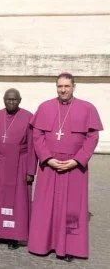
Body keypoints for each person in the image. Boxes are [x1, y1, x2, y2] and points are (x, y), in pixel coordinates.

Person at [28, 72, 103, 262]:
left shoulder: (87, 108)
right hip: (49, 167)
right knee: (45, 207)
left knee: (72, 209)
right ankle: (42, 245)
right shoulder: (45, 107)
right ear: (56, 87)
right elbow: (37, 136)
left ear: (74, 87)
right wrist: (47, 158)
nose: (63, 90)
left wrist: (77, 160)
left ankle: (69, 247)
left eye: (66, 86)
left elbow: (92, 137)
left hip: (74, 167)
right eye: (60, 86)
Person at [0, 88, 37, 250]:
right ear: (3, 100)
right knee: (0, 198)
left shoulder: (28, 117)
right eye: (8, 99)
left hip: (20, 164)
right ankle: (2, 232)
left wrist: (31, 171)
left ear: (20, 100)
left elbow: (33, 146)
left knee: (18, 201)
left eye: (14, 100)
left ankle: (16, 236)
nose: (11, 102)